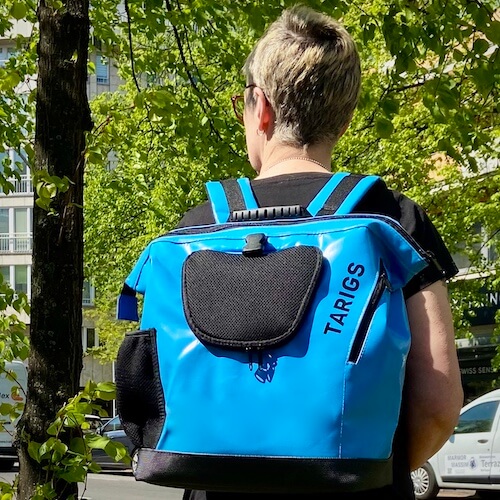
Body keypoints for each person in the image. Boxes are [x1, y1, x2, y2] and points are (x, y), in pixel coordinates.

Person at [178, 5, 463, 499]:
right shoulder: (393, 219)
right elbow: (438, 403)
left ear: (261, 107)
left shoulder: (198, 229)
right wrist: (359, 470)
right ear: (344, 116)